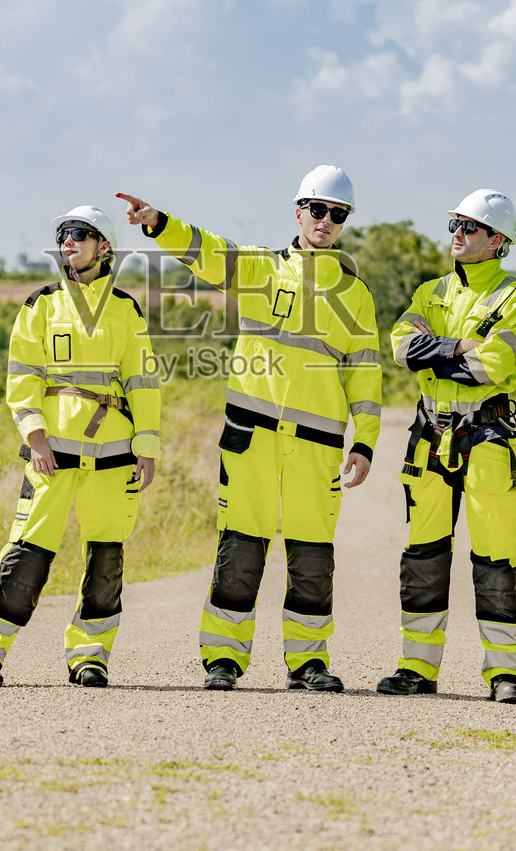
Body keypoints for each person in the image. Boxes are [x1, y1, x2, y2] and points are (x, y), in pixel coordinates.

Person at [116, 165, 382, 692]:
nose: (325, 221)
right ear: (298, 210)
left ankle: (308, 662)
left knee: (312, 555)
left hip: (317, 446)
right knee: (239, 546)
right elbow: (207, 250)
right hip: (251, 437)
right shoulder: (260, 268)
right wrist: (158, 222)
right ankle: (223, 658)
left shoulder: (355, 294)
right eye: (317, 209)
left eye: (337, 214)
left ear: (345, 221)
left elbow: (366, 375)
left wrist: (366, 442)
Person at [0, 205, 160, 689]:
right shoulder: (40, 305)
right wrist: (33, 434)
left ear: (104, 246)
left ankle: (90, 657)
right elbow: (22, 375)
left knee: (105, 559)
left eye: (78, 234)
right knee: (28, 552)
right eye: (63, 235)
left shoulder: (126, 310)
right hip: (51, 455)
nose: (67, 242)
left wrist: (147, 444)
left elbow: (143, 380)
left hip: (114, 455)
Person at [377, 190, 516, 704]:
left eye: (471, 227)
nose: (458, 235)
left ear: (498, 241)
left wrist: (436, 354)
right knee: (423, 556)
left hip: (487, 438)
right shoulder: (430, 290)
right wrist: (459, 347)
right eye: (455, 225)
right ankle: (416, 669)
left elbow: (496, 366)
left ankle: (506, 674)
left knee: (495, 557)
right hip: (429, 438)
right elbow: (401, 346)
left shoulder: (515, 298)